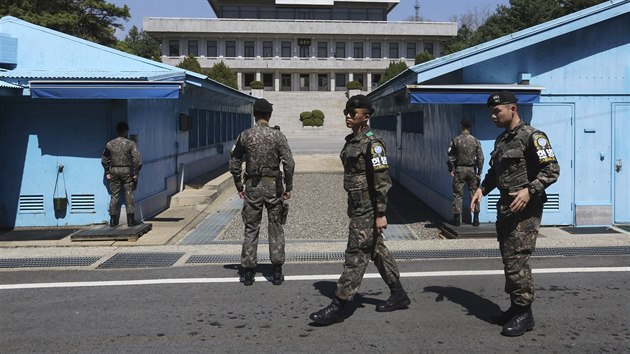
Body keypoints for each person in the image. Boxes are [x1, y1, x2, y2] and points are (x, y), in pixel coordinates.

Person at [309, 95, 410, 326]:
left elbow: (382, 179)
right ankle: (399, 294)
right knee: (376, 250)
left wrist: (380, 213)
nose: (347, 115)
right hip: (357, 206)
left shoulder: (372, 143)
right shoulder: (353, 140)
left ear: (366, 116)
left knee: (355, 254)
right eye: (346, 111)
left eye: (352, 113)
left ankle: (339, 304)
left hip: (368, 208)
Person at [471, 91, 560, 337]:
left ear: (512, 108)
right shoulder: (502, 140)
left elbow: (552, 169)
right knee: (509, 259)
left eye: (496, 110)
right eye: (491, 111)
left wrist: (529, 191)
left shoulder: (533, 137)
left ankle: (524, 314)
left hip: (526, 210)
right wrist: (482, 189)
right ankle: (515, 307)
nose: (492, 115)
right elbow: (494, 172)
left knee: (517, 261)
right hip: (506, 207)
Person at [230, 98, 295, 286]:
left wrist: (239, 186)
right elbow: (289, 163)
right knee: (276, 226)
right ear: (270, 115)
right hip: (274, 186)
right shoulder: (278, 136)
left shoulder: (245, 135)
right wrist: (288, 186)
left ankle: (249, 271)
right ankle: (276, 271)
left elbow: (234, 162)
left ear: (254, 114)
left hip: (252, 186)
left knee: (251, 227)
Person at [101, 122, 142, 227]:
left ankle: (113, 220)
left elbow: (104, 159)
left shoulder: (110, 144)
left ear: (117, 131)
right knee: (129, 194)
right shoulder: (130, 144)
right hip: (127, 171)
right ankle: (131, 220)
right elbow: (137, 159)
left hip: (114, 171)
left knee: (114, 195)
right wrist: (136, 172)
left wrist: (107, 171)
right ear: (126, 131)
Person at [447, 118, 484, 226]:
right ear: (470, 127)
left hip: (459, 170)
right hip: (472, 170)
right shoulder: (476, 141)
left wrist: (451, 169)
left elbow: (450, 157)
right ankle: (476, 219)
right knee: (474, 193)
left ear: (461, 125)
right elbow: (481, 158)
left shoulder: (455, 140)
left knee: (458, 194)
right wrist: (479, 171)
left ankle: (457, 219)